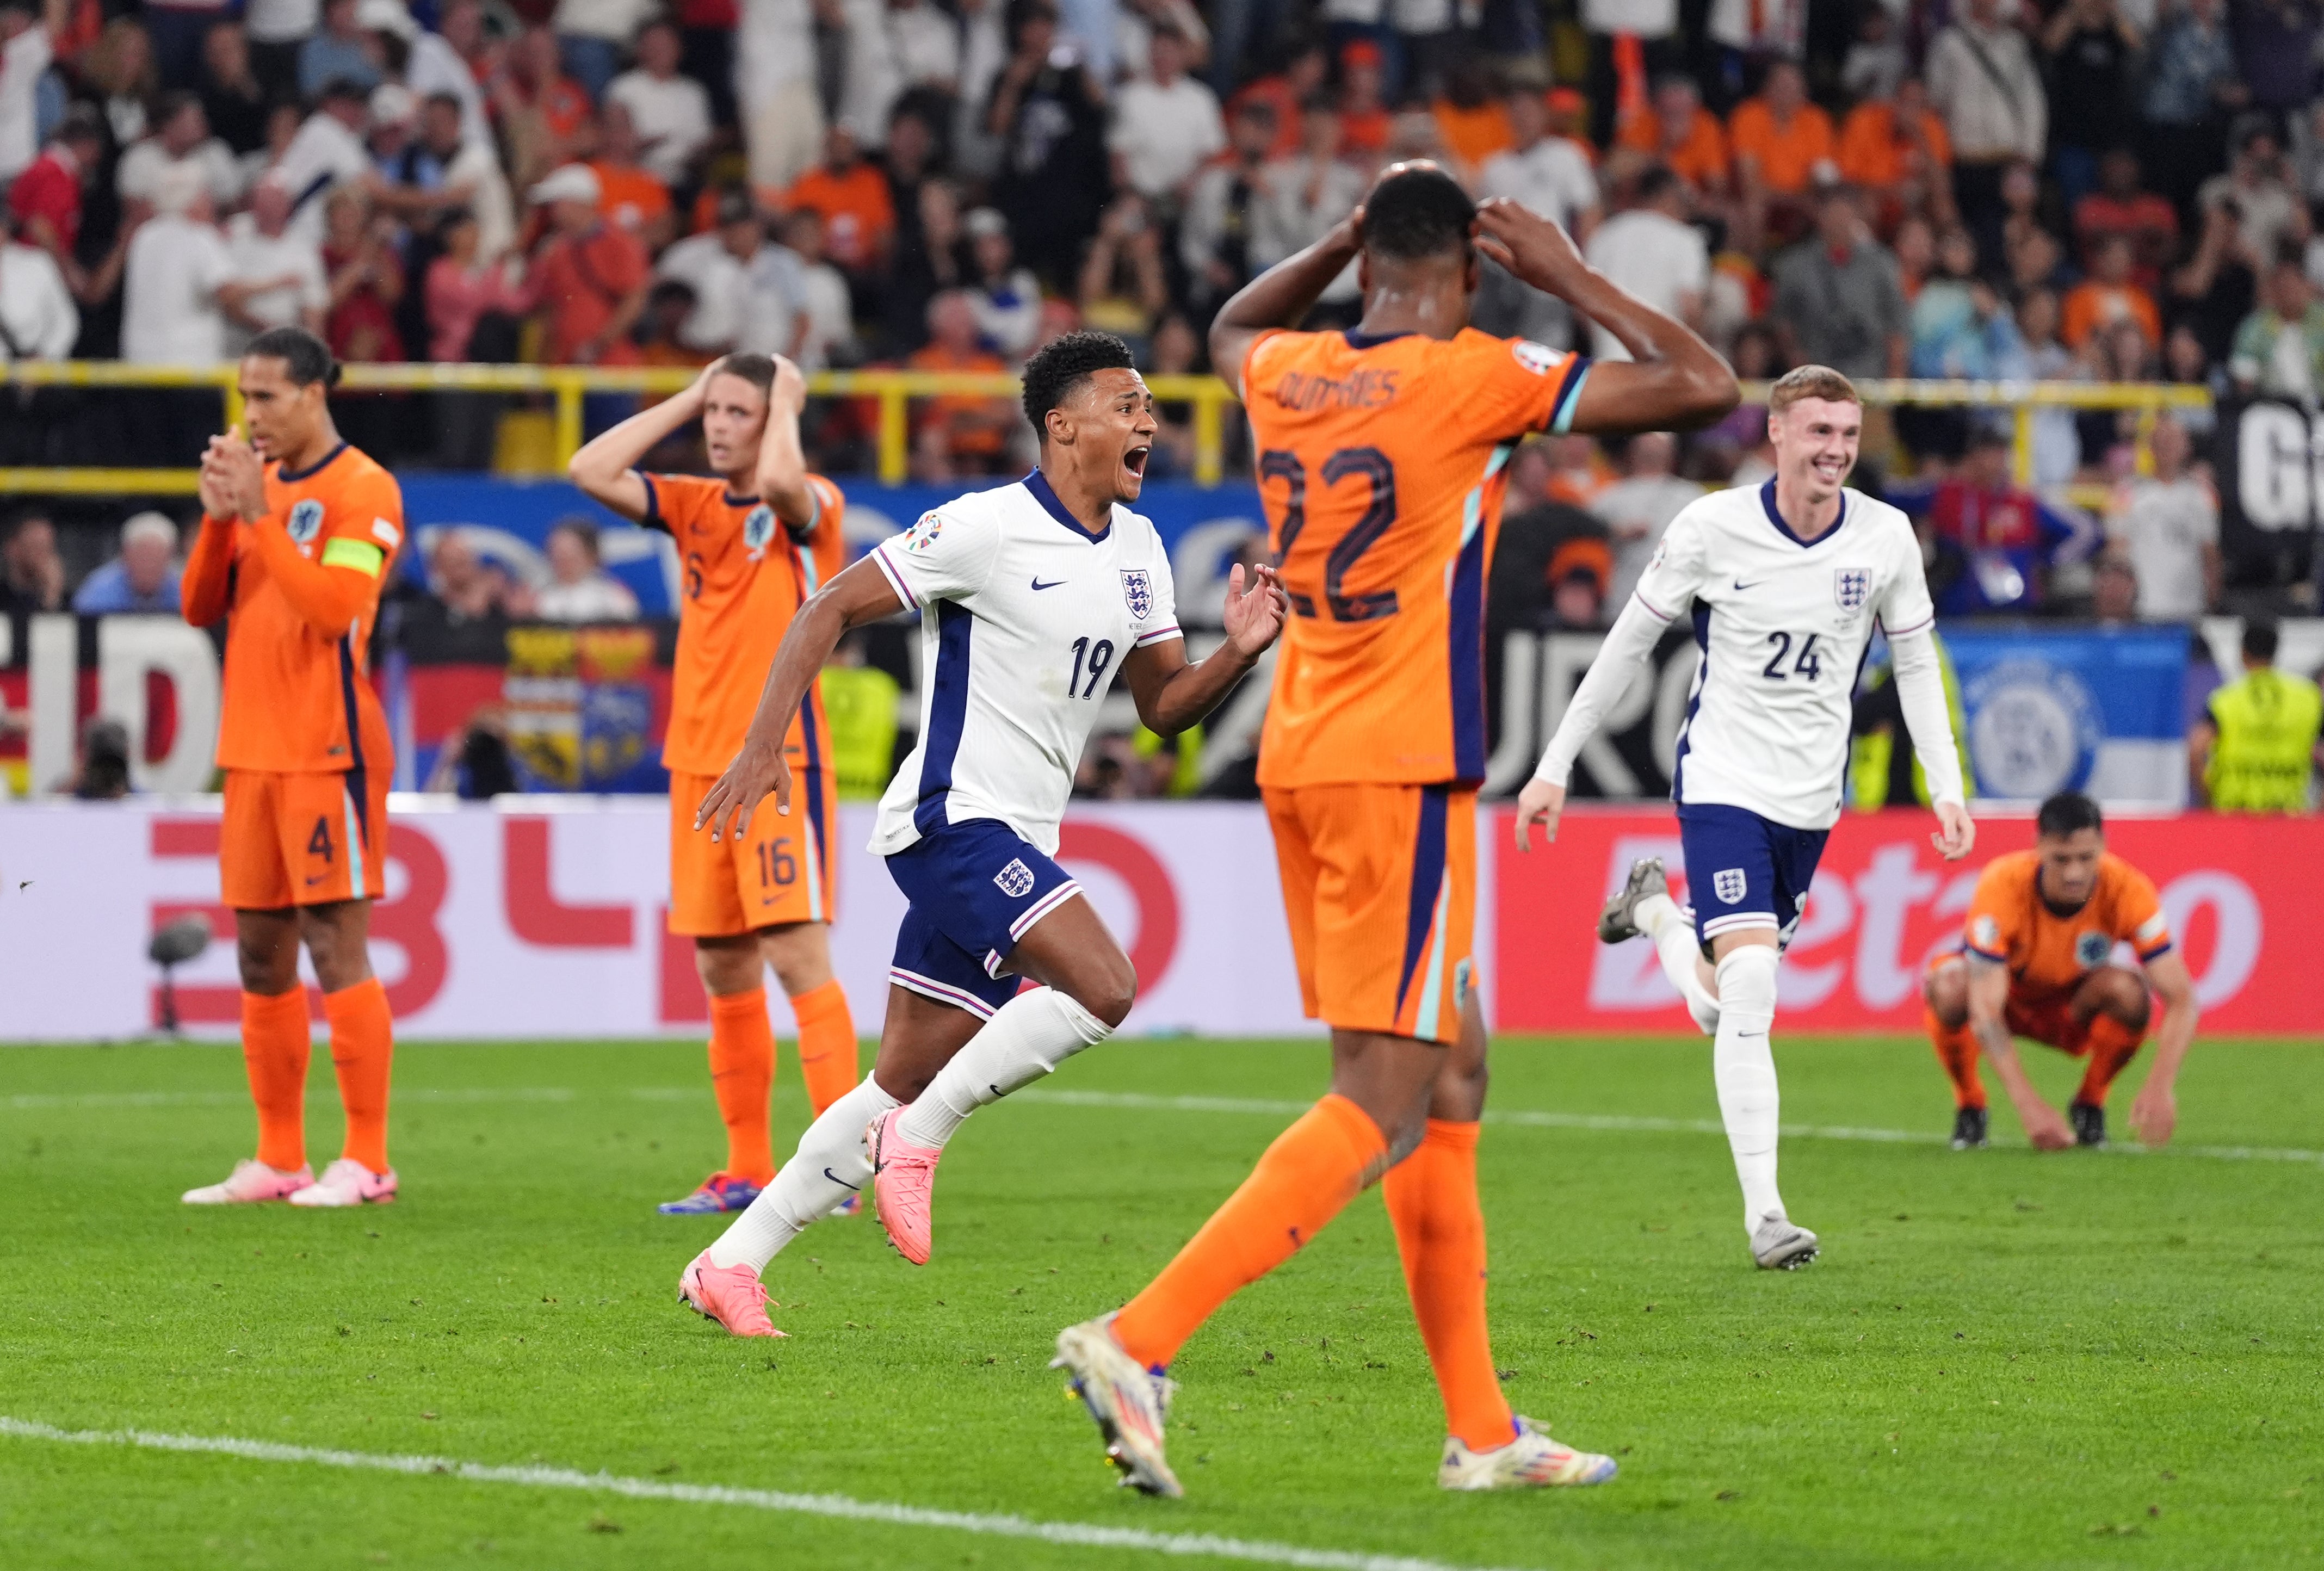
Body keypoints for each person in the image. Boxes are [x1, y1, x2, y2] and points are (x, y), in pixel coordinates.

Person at [1054, 164, 1735, 1497]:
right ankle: (1138, 1340)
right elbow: (1704, 384)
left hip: (1303, 750)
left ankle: (1480, 1429)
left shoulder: (1291, 365)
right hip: (1404, 765)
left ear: (1368, 254)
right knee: (1382, 1089)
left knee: (1452, 1066)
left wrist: (1335, 241)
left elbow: (1228, 328)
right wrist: (1571, 275)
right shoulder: (1474, 368)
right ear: (1470, 274)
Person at [676, 331, 1287, 1335]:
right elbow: (828, 602)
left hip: (1018, 835)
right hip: (950, 819)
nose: (1150, 421)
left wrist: (1241, 651)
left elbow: (1165, 707)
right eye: (1126, 404)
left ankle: (731, 1263)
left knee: (897, 1073)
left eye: (1148, 405)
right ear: (1063, 425)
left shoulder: (1138, 549)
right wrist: (762, 746)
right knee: (1105, 986)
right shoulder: (981, 528)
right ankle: (918, 1143)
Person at [1521, 364, 1971, 1271]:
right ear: (1775, 436)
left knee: (1725, 1000)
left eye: (1846, 436)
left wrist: (1945, 780)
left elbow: (1916, 664)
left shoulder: (1885, 538)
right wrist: (1554, 762)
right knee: (1755, 993)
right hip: (1723, 779)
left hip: (1811, 799)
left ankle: (1652, 914)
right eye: (1817, 434)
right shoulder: (1710, 527)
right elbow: (1628, 643)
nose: (1834, 452)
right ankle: (1766, 1216)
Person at [567, 354, 863, 1215]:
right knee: (722, 963)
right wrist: (690, 393)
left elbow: (778, 476)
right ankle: (744, 1168)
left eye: (740, 411)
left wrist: (787, 404)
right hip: (696, 760)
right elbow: (589, 468)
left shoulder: (814, 507)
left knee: (795, 954)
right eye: (716, 412)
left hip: (777, 760)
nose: (720, 426)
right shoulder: (695, 504)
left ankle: (840, 1170)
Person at [178, 325, 404, 1209]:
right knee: (260, 955)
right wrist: (217, 513)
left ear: (315, 393)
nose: (251, 414)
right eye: (244, 395)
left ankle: (369, 1157)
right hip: (251, 750)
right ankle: (279, 1157)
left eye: (267, 395)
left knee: (333, 945)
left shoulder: (364, 487)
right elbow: (200, 605)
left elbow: (333, 607)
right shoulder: (254, 487)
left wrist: (261, 519)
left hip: (329, 747)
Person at [1923, 791, 2197, 1152]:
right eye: (2061, 859)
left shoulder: (2128, 889)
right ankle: (1971, 1104)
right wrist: (2030, 1108)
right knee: (1949, 985)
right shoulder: (2003, 884)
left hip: (2071, 1007)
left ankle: (2090, 1103)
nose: (2074, 873)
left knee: (2130, 992)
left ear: (2103, 844)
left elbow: (2182, 999)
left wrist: (2161, 1087)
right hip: (2008, 1000)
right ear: (2039, 847)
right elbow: (1985, 1010)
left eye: (2086, 858)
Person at [2189, 618, 2324, 812]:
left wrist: (2209, 799)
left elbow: (2195, 751)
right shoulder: (2306, 699)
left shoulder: (2226, 700)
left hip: (2234, 814)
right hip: (2288, 817)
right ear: (2275, 652)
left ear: (2243, 654)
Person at [2109, 413, 2218, 622]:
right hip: (2143, 610)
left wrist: (2212, 600)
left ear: (2187, 446)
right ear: (2150, 447)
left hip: (2190, 608)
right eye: (2160, 441)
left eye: (2173, 441)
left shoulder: (2201, 494)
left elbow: (2210, 554)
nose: (2166, 447)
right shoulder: (2128, 492)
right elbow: (2117, 551)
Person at [73, 511, 183, 614]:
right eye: (143, 556)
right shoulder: (99, 590)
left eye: (157, 558)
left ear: (171, 557)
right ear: (125, 554)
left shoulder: (182, 588)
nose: (149, 565)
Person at [531, 518, 639, 622]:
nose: (563, 560)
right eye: (557, 553)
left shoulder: (614, 598)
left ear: (591, 555)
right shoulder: (536, 598)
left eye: (570, 554)